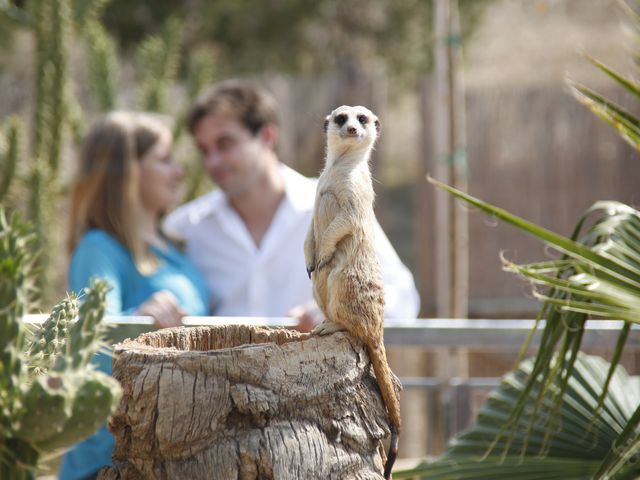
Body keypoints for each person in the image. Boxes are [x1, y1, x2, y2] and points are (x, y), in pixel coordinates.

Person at [163, 79, 419, 328]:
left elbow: (402, 297)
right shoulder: (185, 227)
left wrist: (335, 313)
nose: (212, 162)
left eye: (225, 144)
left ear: (267, 136)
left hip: (316, 371)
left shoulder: (336, 203)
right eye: (204, 150)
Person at [59, 111, 209, 480]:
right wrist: (139, 318)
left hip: (173, 453)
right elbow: (92, 350)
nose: (179, 171)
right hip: (111, 463)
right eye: (165, 159)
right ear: (127, 170)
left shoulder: (174, 250)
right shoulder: (99, 248)